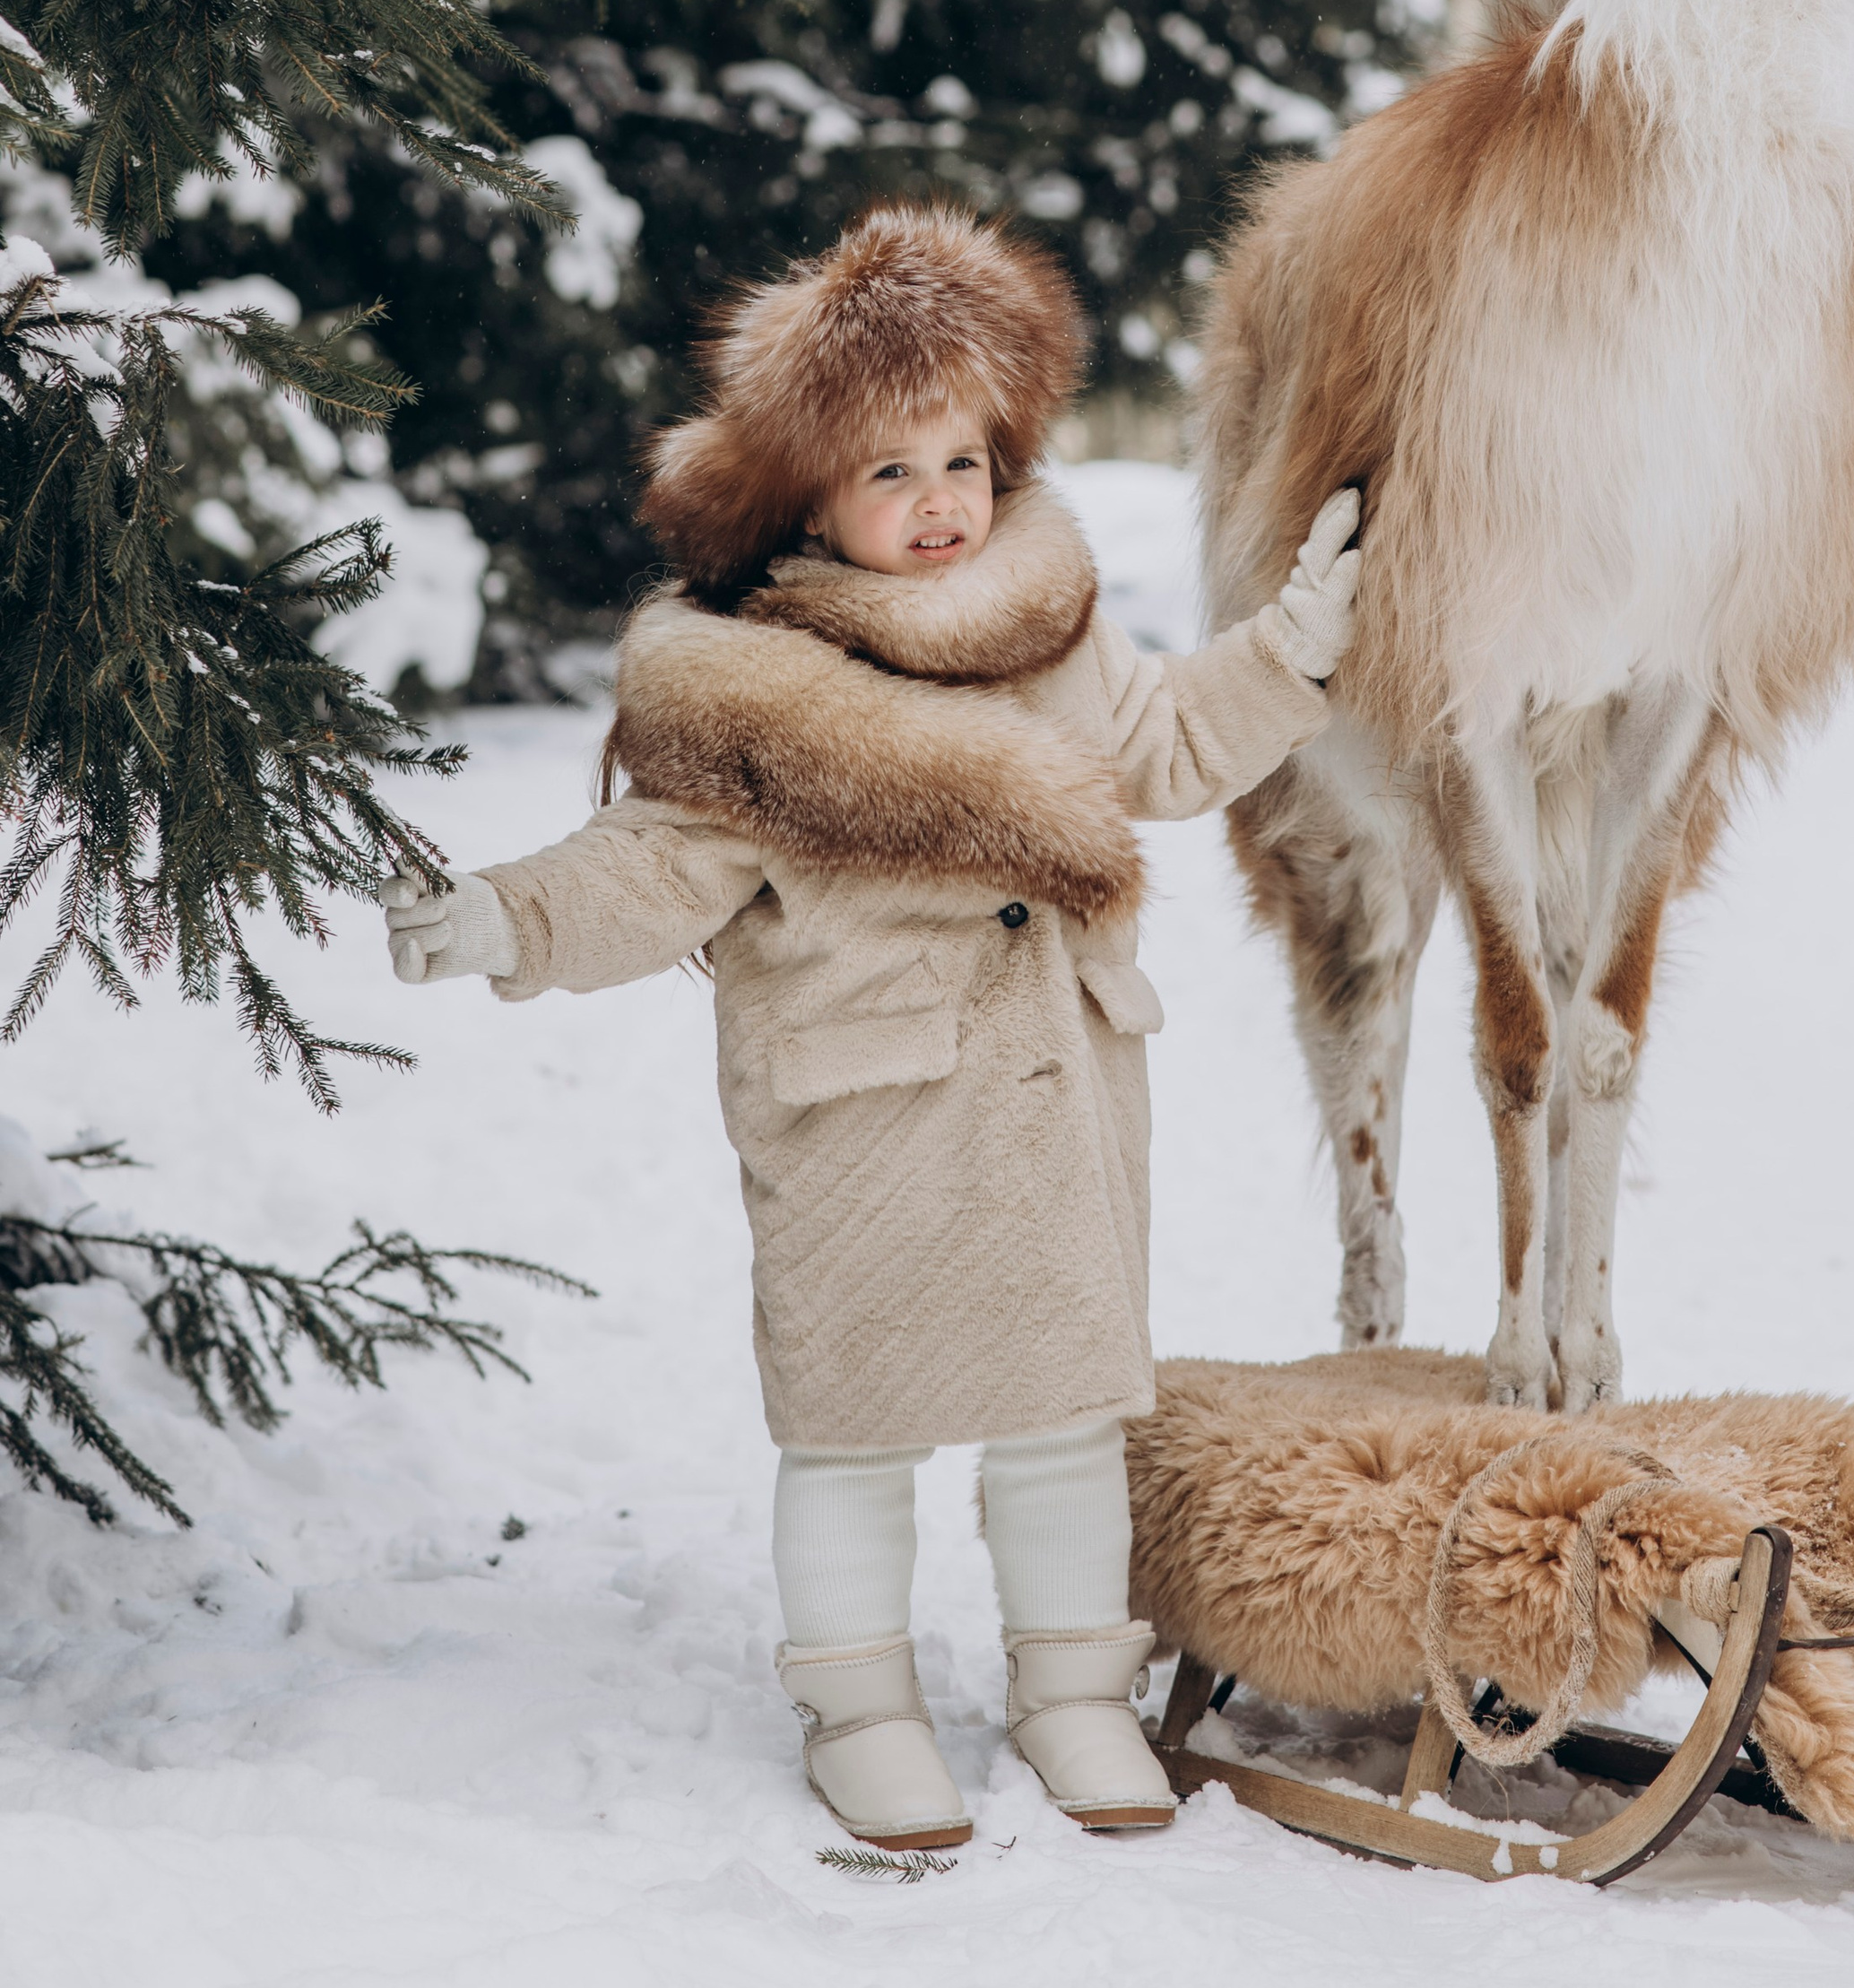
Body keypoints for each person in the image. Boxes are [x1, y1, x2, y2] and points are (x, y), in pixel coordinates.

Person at [381, 201, 1360, 1850]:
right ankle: (860, 1695)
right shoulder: (755, 688)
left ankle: (1069, 1686)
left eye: (964, 463)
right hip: (864, 1115)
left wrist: (1290, 650)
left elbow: (1173, 746)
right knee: (855, 1429)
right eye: (890, 473)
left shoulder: (1052, 627)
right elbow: (659, 865)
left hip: (1054, 1100)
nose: (939, 505)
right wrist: (511, 918)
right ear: (810, 499)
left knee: (1063, 1415)